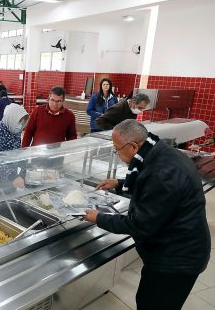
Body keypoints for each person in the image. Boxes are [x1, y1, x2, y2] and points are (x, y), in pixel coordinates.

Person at [83, 119, 210, 310]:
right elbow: (146, 179)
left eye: (117, 150)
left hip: (176, 259)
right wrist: (119, 183)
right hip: (178, 248)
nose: (117, 154)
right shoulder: (158, 151)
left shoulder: (163, 172)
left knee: (152, 304)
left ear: (133, 146)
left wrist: (98, 218)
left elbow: (139, 225)